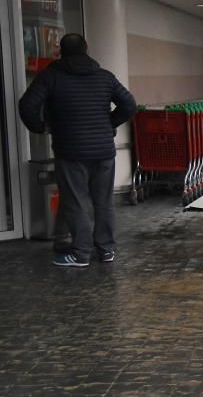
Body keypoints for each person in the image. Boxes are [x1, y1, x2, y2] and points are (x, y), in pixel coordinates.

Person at [19, 33, 136, 267]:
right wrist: (109, 124)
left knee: (76, 202)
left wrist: (41, 127)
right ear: (86, 50)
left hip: (70, 151)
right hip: (103, 151)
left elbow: (27, 105)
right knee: (103, 202)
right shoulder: (104, 77)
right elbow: (129, 105)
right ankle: (106, 250)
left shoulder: (50, 77)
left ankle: (81, 254)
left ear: (61, 51)